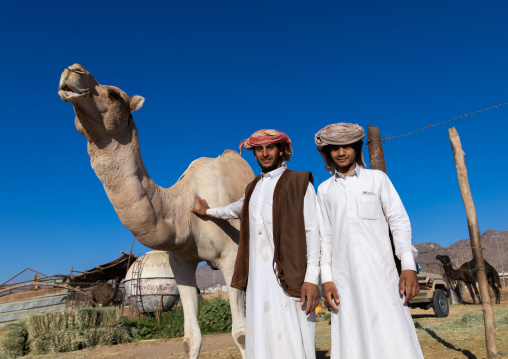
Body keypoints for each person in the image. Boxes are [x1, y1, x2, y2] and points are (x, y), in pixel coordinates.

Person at [192, 129, 320, 359]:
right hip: (258, 279)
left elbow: (313, 233)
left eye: (270, 148)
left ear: (282, 151)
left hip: (291, 275)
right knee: (262, 334)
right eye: (259, 149)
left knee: (294, 333)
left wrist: (312, 280)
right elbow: (233, 209)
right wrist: (207, 211)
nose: (264, 153)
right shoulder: (253, 189)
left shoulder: (300, 183)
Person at [314, 123, 424, 359]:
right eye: (335, 148)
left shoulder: (377, 180)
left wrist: (407, 266)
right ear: (328, 153)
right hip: (345, 281)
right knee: (352, 339)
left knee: (393, 334)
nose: (341, 152)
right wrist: (327, 279)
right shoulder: (323, 191)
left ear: (356, 148)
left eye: (346, 147)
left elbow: (399, 222)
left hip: (382, 276)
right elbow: (325, 238)